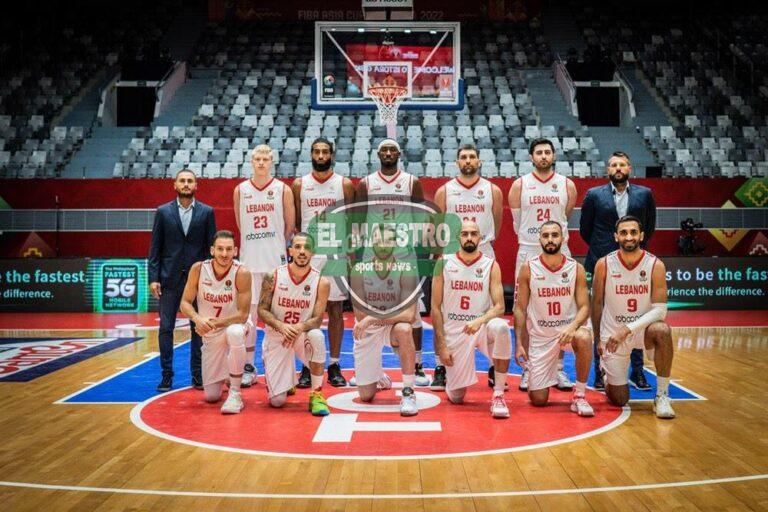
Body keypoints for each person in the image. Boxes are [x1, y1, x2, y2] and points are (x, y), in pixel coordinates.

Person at [355, 139, 430, 387]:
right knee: (369, 306)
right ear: (378, 154)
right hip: (373, 252)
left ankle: (417, 365)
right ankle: (371, 369)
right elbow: (358, 220)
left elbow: (420, 217)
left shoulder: (411, 182)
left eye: (392, 150)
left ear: (399, 154)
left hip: (404, 252)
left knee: (412, 314)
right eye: (384, 150)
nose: (388, 153)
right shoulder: (366, 183)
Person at [580, 151, 657, 390]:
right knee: (600, 315)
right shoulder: (594, 195)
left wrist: (631, 247)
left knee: (636, 314)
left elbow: (649, 228)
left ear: (629, 168)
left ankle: (638, 371)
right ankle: (600, 370)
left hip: (635, 263)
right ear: (608, 170)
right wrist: (604, 249)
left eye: (622, 164)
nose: (618, 168)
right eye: (613, 165)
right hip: (601, 261)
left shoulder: (645, 194)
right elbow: (585, 230)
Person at [508, 138, 577, 392]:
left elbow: (565, 218)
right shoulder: (520, 185)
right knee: (525, 310)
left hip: (559, 249)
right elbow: (517, 222)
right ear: (531, 157)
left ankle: (558, 368)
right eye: (539, 152)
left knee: (561, 311)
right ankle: (529, 368)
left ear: (554, 156)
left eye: (548, 152)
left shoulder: (567, 185)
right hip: (529, 249)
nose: (544, 156)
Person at [434, 143, 504, 391]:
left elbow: (497, 223)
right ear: (457, 162)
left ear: (479, 161)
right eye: (463, 157)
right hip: (453, 250)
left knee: (489, 307)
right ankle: (440, 366)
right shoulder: (445, 190)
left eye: (472, 157)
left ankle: (494, 366)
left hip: (482, 248)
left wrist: (481, 240)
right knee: (445, 308)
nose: (468, 161)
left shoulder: (492, 190)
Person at [591, 216, 675, 419]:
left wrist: (627, 329)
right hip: (613, 335)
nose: (629, 237)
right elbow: (596, 304)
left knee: (662, 330)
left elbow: (660, 311)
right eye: (624, 233)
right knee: (619, 399)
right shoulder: (604, 264)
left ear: (641, 235)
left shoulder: (655, 264)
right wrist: (598, 340)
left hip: (642, 332)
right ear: (616, 236)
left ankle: (662, 395)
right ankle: (609, 375)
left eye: (633, 232)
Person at [431, 221, 512, 418]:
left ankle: (499, 395)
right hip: (455, 332)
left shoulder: (490, 265)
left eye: (473, 234)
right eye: (465, 233)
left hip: (481, 328)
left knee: (501, 328)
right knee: (456, 396)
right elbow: (435, 307)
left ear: (480, 238)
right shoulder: (443, 263)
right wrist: (441, 345)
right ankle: (453, 379)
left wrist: (479, 321)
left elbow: (500, 307)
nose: (469, 237)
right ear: (458, 237)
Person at [292, 137, 355, 388]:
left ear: (331, 155)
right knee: (308, 311)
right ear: (311, 154)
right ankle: (308, 365)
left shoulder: (344, 184)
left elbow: (351, 221)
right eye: (316, 152)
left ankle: (335, 364)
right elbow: (299, 221)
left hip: (336, 253)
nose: (320, 156)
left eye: (325, 152)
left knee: (336, 309)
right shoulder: (300, 185)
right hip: (309, 254)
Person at [513, 221, 594, 416]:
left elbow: (585, 307)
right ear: (539, 240)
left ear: (563, 238)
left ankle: (580, 396)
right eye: (546, 236)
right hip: (541, 338)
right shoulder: (528, 268)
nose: (550, 239)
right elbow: (520, 309)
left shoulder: (576, 268)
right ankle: (540, 374)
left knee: (584, 337)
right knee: (538, 400)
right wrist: (519, 344)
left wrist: (572, 327)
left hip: (568, 333)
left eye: (555, 235)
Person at [148, 168, 216, 392]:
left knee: (199, 328)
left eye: (190, 181)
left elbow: (211, 249)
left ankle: (198, 374)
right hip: (169, 279)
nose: (186, 184)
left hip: (198, 281)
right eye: (182, 181)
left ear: (196, 185)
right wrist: (153, 278)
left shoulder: (207, 212)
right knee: (166, 328)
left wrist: (211, 278)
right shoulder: (163, 212)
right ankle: (166, 375)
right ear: (175, 185)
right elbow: (155, 248)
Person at [233, 144, 296, 387]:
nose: (261, 163)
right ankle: (249, 366)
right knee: (248, 318)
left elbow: (289, 227)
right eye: (257, 159)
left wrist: (275, 244)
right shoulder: (240, 190)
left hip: (274, 264)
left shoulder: (283, 189)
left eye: (265, 159)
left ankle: (278, 367)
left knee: (277, 316)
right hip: (249, 262)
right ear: (251, 162)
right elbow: (241, 225)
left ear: (271, 162)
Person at [257, 233, 331, 416]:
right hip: (277, 336)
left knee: (317, 335)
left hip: (301, 334)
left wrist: (298, 328)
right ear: (290, 250)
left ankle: (316, 394)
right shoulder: (273, 276)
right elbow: (261, 310)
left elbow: (317, 319)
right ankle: (283, 377)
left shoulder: (321, 282)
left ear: (313, 252)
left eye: (307, 248)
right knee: (277, 401)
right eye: (297, 247)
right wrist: (281, 326)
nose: (302, 251)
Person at [349, 225, 419, 416]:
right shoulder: (359, 270)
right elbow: (360, 316)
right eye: (379, 241)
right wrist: (371, 319)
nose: (383, 245)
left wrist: (374, 317)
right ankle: (378, 375)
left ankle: (408, 392)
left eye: (388, 241)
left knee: (405, 329)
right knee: (366, 396)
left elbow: (409, 315)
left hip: (391, 327)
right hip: (367, 331)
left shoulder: (406, 270)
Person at [179, 230, 251, 414]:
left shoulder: (242, 273)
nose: (224, 254)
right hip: (211, 333)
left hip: (233, 325)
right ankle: (228, 371)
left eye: (228, 249)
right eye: (220, 249)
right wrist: (197, 319)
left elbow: (243, 315)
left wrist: (211, 324)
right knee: (211, 396)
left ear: (235, 251)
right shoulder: (198, 269)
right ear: (212, 250)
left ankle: (235, 393)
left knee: (235, 333)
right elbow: (185, 303)